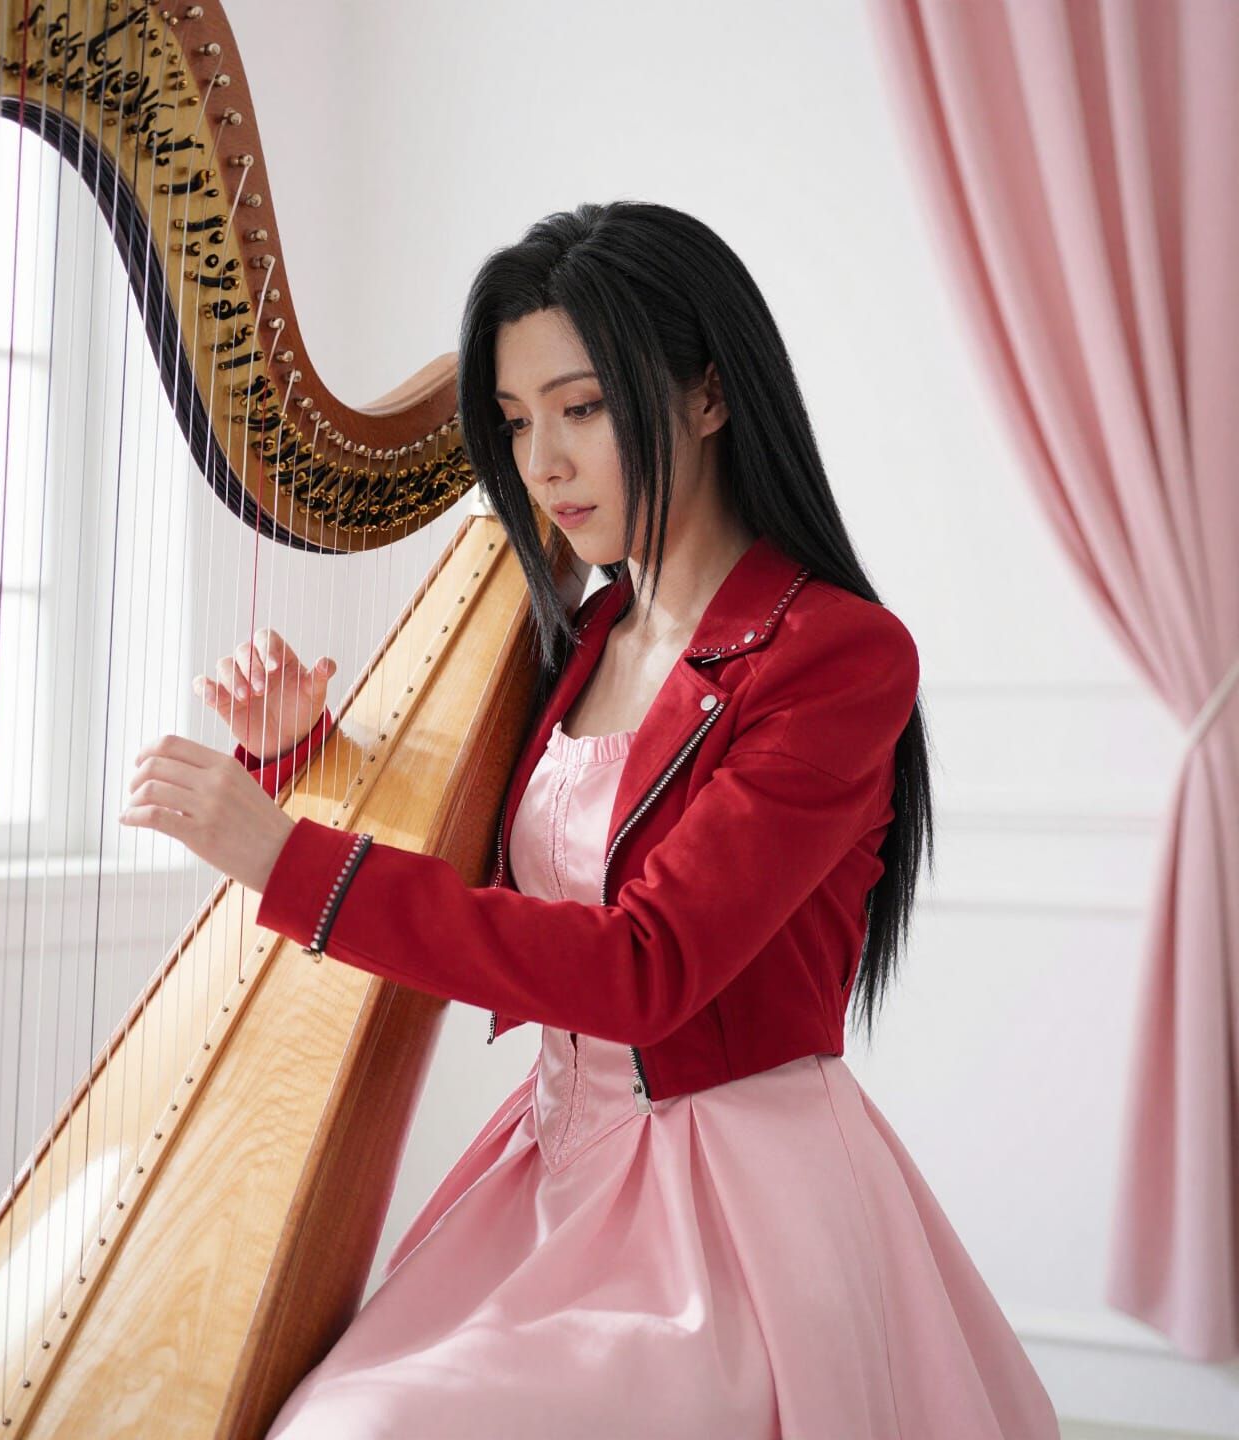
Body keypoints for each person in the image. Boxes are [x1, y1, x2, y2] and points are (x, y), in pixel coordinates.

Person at [121, 201, 1061, 1439]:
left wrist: (278, 855)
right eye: (514, 423)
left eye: (582, 408)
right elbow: (498, 865)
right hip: (553, 1166)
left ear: (710, 396)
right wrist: (308, 753)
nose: (542, 463)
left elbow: (643, 969)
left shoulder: (836, 656)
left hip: (720, 1208)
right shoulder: (582, 632)